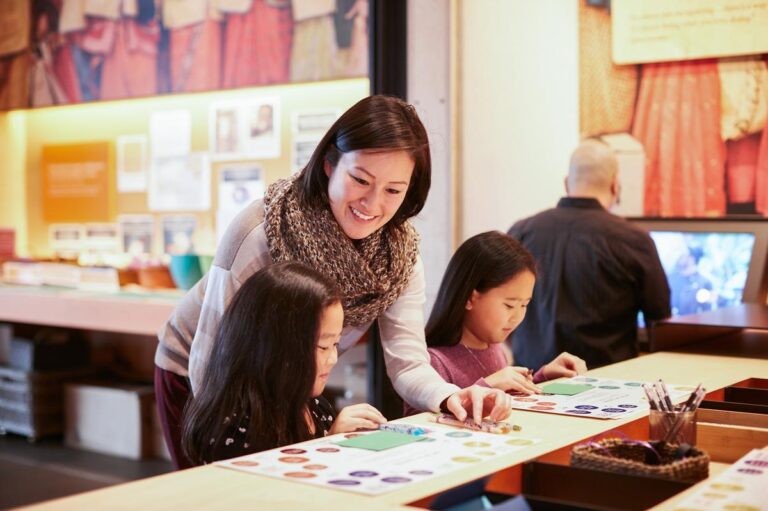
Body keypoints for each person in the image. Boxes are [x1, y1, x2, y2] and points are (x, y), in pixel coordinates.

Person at [155, 95, 511, 469]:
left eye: (393, 190)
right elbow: (210, 362)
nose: (373, 203)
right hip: (205, 380)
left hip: (287, 388)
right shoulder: (261, 233)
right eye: (360, 179)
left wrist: (450, 397)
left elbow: (407, 362)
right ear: (329, 165)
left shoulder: (398, 256)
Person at [182, 262, 387, 465]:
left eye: (336, 343)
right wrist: (329, 443)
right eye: (323, 347)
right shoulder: (233, 428)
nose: (333, 359)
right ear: (275, 347)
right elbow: (274, 491)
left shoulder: (314, 406)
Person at [507, 139, 671, 370]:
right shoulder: (634, 240)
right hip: (607, 385)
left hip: (530, 384)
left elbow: (501, 310)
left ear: (566, 183)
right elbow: (660, 322)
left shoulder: (521, 232)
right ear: (615, 186)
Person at [404, 232, 586, 415]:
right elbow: (415, 424)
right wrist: (488, 385)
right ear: (470, 298)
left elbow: (501, 404)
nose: (517, 317)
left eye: (524, 305)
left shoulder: (494, 347)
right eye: (509, 305)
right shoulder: (433, 361)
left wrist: (543, 377)